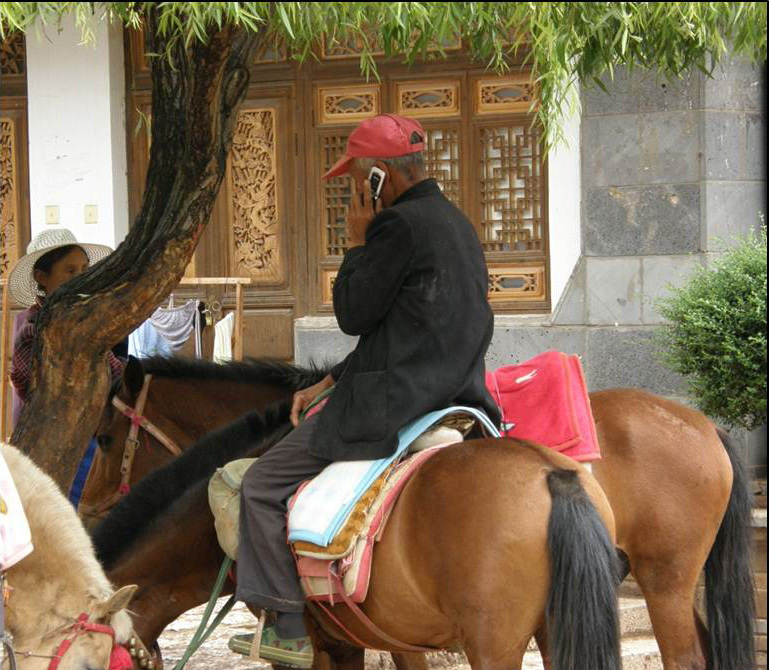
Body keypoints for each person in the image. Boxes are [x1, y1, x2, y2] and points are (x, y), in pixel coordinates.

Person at [230, 114, 500, 667]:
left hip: (394, 406)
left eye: (355, 179)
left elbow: (354, 315)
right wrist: (328, 381)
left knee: (258, 485)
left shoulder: (393, 228)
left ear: (378, 178)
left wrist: (355, 244)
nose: (351, 191)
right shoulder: (455, 223)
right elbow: (400, 332)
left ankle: (287, 627)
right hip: (457, 392)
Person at [8, 228, 123, 504]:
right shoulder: (33, 323)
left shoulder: (83, 318)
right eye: (69, 271)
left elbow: (112, 369)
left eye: (84, 269)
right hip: (51, 435)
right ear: (41, 278)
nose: (80, 277)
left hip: (86, 431)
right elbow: (26, 384)